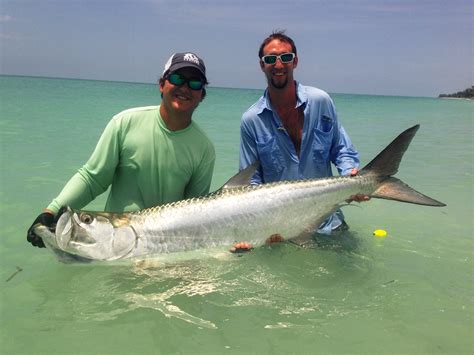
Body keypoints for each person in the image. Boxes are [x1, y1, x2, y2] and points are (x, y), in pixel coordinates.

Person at [27, 52, 216, 248]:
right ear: (162, 84)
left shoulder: (204, 148)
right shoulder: (125, 123)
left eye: (195, 83)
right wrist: (52, 211)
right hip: (115, 242)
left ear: (202, 95)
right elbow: (93, 178)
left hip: (166, 247)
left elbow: (194, 214)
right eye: (177, 78)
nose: (185, 87)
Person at [239, 31, 368, 242]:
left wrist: (352, 175)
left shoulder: (321, 101)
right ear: (262, 65)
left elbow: (341, 149)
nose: (278, 65)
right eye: (270, 59)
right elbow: (251, 183)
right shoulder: (251, 120)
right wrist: (261, 227)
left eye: (285, 57)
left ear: (295, 61)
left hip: (330, 225)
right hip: (282, 233)